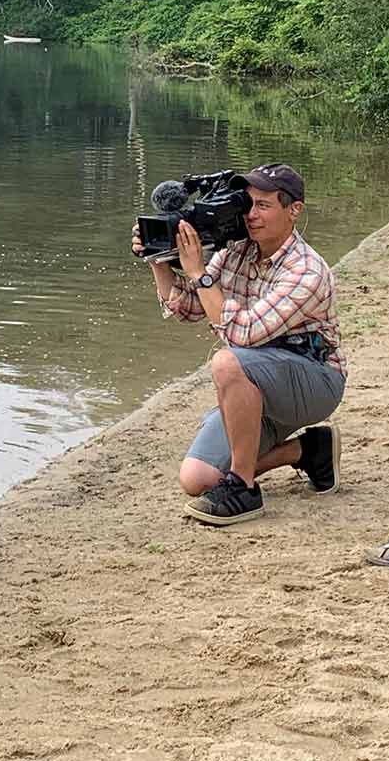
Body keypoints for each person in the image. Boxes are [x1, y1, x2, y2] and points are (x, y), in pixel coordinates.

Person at [131, 164, 347, 526]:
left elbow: (241, 335)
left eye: (263, 205)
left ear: (293, 209)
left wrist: (199, 272)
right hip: (257, 385)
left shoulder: (306, 270)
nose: (251, 215)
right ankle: (309, 451)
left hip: (315, 381)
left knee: (227, 362)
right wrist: (160, 255)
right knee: (196, 479)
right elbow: (187, 306)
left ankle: (243, 490)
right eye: (248, 204)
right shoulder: (236, 253)